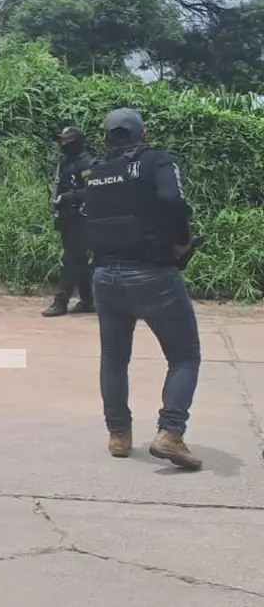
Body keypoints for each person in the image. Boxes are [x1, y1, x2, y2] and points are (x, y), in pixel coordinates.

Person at [80, 108, 201, 469]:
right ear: (143, 135)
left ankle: (119, 435)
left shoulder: (95, 171)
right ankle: (170, 433)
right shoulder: (157, 161)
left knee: (114, 358)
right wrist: (181, 243)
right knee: (184, 356)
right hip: (153, 274)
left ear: (106, 138)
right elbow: (174, 201)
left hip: (104, 275)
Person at [44, 126, 96, 317]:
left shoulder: (86, 163)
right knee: (79, 259)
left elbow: (92, 190)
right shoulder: (64, 161)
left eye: (66, 141)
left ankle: (60, 302)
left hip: (82, 218)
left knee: (70, 259)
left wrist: (68, 197)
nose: (63, 145)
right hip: (67, 218)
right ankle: (88, 300)